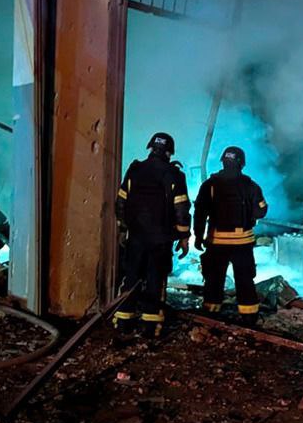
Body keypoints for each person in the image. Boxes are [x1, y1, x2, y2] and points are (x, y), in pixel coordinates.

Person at [115, 132, 191, 337]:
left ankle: (123, 322)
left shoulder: (135, 170)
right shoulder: (174, 175)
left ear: (151, 148)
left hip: (136, 237)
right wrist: (184, 236)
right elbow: (181, 209)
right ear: (169, 152)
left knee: (131, 277)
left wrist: (123, 229)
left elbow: (121, 202)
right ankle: (150, 327)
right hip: (161, 239)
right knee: (155, 279)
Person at [193, 146, 268, 326]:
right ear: (241, 163)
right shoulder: (250, 185)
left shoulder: (210, 185)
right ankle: (249, 315)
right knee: (244, 278)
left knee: (214, 277)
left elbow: (200, 213)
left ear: (223, 162)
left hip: (216, 241)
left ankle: (211, 312)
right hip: (242, 242)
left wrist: (198, 236)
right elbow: (261, 211)